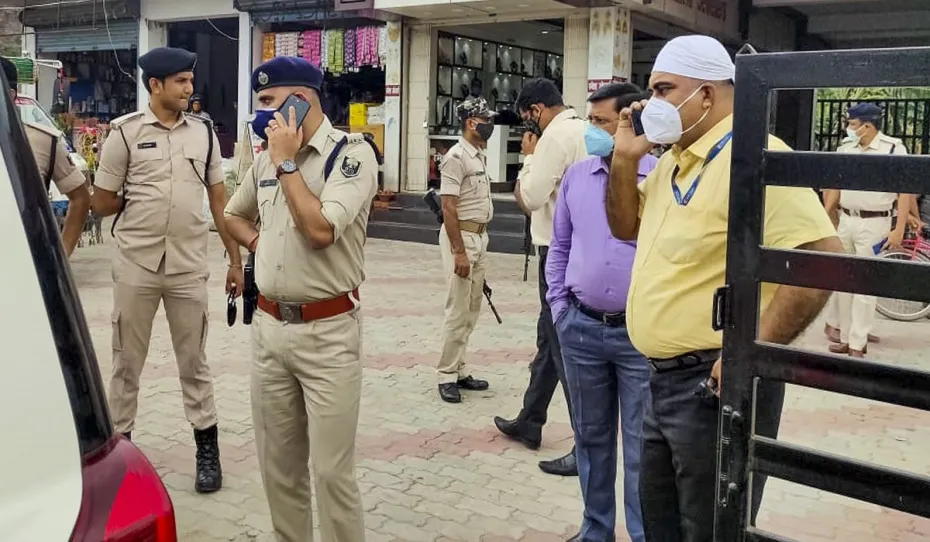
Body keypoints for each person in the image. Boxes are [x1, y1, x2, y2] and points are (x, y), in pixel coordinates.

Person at [606, 35, 843, 542]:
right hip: (661, 382)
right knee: (660, 524)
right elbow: (624, 225)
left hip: (714, 386)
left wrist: (746, 355)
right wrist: (624, 161)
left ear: (707, 95)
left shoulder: (754, 154)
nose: (651, 104)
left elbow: (820, 257)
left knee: (712, 531)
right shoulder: (671, 162)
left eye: (664, 90)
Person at [223, 56, 378, 542]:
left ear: (302, 100)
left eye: (270, 102)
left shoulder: (351, 155)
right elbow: (232, 214)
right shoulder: (265, 159)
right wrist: (260, 244)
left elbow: (320, 231)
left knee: (332, 474)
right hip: (270, 331)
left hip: (328, 335)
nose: (262, 113)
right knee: (279, 469)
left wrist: (287, 162)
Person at [91, 47, 242, 494]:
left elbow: (220, 201)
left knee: (194, 361)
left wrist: (235, 261)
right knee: (126, 364)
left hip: (188, 266)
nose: (189, 88)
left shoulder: (204, 134)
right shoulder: (125, 134)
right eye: (180, 81)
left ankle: (207, 452)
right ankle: (120, 455)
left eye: (190, 80)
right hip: (136, 264)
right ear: (155, 85)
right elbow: (102, 200)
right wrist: (134, 200)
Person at [547, 83, 656, 542]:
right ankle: (596, 530)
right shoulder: (577, 176)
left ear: (629, 123)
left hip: (640, 337)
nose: (591, 131)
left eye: (600, 122)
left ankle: (643, 533)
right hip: (581, 328)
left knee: (640, 446)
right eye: (589, 120)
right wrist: (559, 307)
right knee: (591, 438)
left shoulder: (659, 177)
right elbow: (560, 246)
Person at [494, 78, 587, 477]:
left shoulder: (554, 137)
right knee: (549, 342)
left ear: (536, 109)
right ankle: (530, 420)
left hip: (556, 253)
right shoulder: (583, 129)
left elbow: (529, 198)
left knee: (562, 347)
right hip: (580, 248)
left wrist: (529, 159)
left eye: (526, 118)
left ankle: (586, 445)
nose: (527, 127)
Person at [822, 103, 913, 357]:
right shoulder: (846, 148)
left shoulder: (893, 149)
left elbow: (904, 191)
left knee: (864, 283)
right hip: (846, 220)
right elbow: (836, 185)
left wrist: (899, 228)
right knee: (843, 281)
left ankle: (857, 343)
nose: (849, 129)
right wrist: (825, 216)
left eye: (852, 125)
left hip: (874, 223)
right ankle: (845, 336)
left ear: (868, 126)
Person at [435, 96, 495, 404]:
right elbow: (448, 207)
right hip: (462, 238)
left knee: (471, 309)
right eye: (486, 120)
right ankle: (446, 375)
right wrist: (458, 251)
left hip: (479, 238)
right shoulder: (456, 157)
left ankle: (459, 369)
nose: (490, 125)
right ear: (471, 122)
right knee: (458, 309)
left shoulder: (478, 155)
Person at [2, 56, 90, 257]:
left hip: (26, 260)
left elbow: (81, 198)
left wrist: (62, 254)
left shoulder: (42, 141)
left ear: (10, 95)